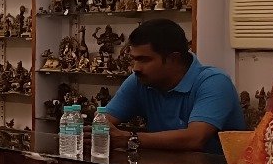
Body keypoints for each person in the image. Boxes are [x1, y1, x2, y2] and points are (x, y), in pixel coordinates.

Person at [105, 19, 246, 155]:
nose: (135, 68)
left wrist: (129, 138)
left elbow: (195, 139)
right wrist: (99, 129)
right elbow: (102, 121)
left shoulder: (214, 82)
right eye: (134, 59)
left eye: (144, 60)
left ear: (174, 59)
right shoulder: (139, 80)